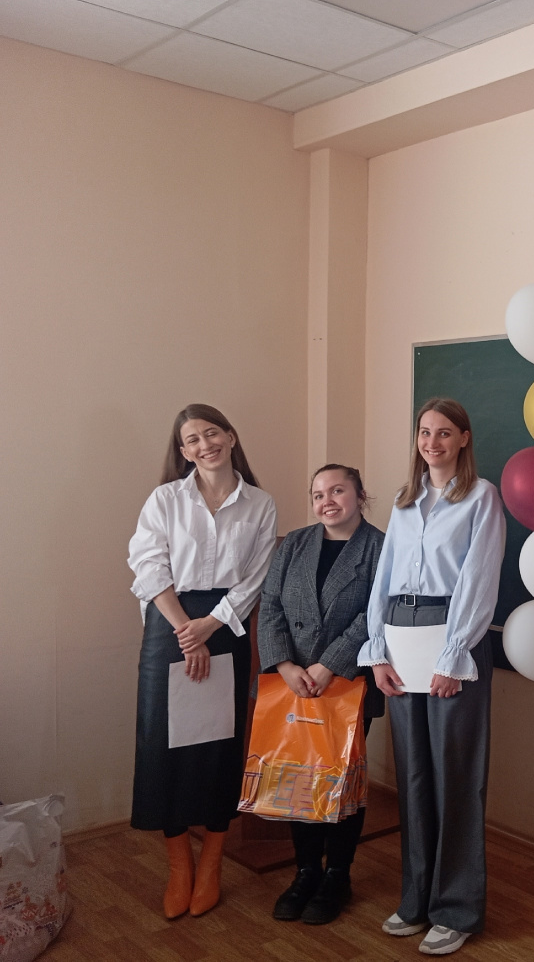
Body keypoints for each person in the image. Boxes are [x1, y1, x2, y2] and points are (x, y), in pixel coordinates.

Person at [358, 397, 505, 957]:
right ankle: (417, 898)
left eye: (444, 433)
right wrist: (377, 650)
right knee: (414, 776)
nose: (432, 442)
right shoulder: (404, 502)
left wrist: (452, 655)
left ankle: (456, 909)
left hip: (450, 642)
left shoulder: (481, 497)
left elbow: (478, 577)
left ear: (463, 439)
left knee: (456, 777)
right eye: (424, 432)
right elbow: (384, 578)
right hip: (400, 639)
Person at [127, 403, 278, 919]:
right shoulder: (166, 498)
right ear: (183, 451)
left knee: (219, 744)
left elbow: (256, 576)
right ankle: (179, 866)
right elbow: (148, 564)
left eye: (211, 433)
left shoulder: (259, 503)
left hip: (226, 626)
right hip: (170, 623)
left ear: (230, 436)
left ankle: (211, 861)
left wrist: (210, 626)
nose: (204, 445)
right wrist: (185, 632)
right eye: (192, 440)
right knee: (164, 745)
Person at [256, 464, 386, 925]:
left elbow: (376, 613)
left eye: (337, 490)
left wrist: (328, 664)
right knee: (299, 777)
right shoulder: (294, 544)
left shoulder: (380, 546)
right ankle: (306, 872)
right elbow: (270, 605)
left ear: (359, 495)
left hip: (346, 683)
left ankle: (338, 876)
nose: (326, 501)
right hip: (294, 684)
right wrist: (284, 664)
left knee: (341, 780)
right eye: (318, 494)